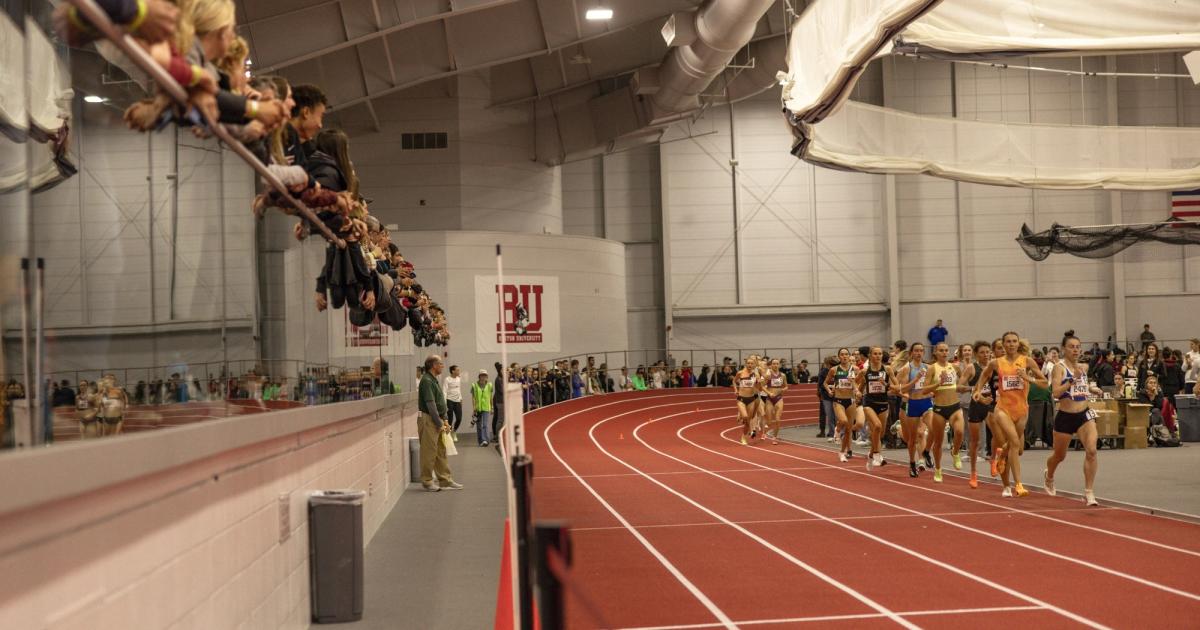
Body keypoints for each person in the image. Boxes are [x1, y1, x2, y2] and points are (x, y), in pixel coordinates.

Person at [974, 332, 1047, 498]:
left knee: (1017, 449)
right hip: (1002, 409)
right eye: (1008, 342)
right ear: (1003, 344)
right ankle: (1015, 485)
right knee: (1014, 442)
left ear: (1018, 343)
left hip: (1021, 410)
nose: (1011, 344)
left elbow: (1044, 383)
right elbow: (984, 375)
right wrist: (978, 390)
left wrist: (1028, 377)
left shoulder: (1027, 361)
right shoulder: (996, 362)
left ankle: (1001, 455)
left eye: (1014, 341)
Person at [1045, 336, 1104, 507]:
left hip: (1084, 414)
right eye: (1071, 347)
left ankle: (1089, 492)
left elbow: (1082, 387)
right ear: (1064, 348)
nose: (1076, 350)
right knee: (1059, 456)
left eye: (1078, 347)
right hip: (1065, 416)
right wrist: (1072, 379)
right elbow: (1055, 393)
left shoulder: (1083, 367)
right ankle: (1049, 476)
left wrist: (1093, 389)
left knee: (1092, 451)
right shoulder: (1059, 368)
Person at [919, 342, 965, 482]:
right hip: (939, 408)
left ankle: (955, 452)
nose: (944, 353)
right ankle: (938, 469)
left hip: (955, 406)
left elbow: (961, 383)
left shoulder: (955, 367)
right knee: (938, 442)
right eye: (941, 350)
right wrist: (938, 383)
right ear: (936, 352)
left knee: (959, 432)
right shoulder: (932, 368)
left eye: (946, 350)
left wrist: (968, 388)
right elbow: (924, 390)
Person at [417, 355, 461, 492]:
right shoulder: (426, 381)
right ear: (433, 365)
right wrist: (439, 422)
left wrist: (445, 420)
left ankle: (445, 480)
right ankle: (427, 481)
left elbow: (439, 402)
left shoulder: (433, 380)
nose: (442, 366)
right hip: (429, 419)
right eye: (440, 364)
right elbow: (431, 405)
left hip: (437, 419)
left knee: (441, 451)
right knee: (429, 452)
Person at [961, 341, 995, 489]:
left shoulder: (995, 366)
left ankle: (994, 460)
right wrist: (973, 388)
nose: (985, 355)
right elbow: (958, 386)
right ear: (976, 354)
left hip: (991, 405)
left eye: (988, 352)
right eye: (982, 352)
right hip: (976, 406)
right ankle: (974, 473)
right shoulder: (971, 368)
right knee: (975, 442)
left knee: (998, 436)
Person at [897, 342, 932, 478]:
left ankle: (925, 455)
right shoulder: (907, 369)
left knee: (927, 430)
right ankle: (912, 463)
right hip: (911, 403)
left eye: (921, 351)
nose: (919, 353)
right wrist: (915, 380)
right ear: (911, 353)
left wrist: (934, 390)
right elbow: (902, 389)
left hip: (926, 403)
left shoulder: (928, 368)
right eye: (916, 350)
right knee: (911, 439)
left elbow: (931, 386)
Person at [856, 347, 891, 470]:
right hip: (869, 403)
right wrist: (857, 392)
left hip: (883, 403)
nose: (878, 356)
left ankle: (871, 455)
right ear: (870, 356)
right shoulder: (865, 371)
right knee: (877, 426)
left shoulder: (887, 369)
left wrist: (885, 384)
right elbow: (855, 384)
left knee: (878, 435)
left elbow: (896, 386)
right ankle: (877, 455)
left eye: (880, 354)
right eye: (875, 354)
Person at [824, 348, 860, 462]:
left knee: (849, 429)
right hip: (838, 400)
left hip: (851, 400)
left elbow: (859, 383)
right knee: (843, 421)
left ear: (849, 356)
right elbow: (825, 383)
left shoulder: (855, 369)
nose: (844, 356)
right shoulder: (834, 370)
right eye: (842, 354)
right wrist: (829, 391)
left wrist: (857, 390)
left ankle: (845, 451)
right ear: (839, 357)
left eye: (846, 354)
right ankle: (837, 429)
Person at [733, 358, 762, 445]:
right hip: (741, 398)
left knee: (748, 420)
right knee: (745, 417)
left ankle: (743, 437)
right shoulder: (740, 373)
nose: (750, 365)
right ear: (745, 364)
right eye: (748, 363)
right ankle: (741, 415)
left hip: (751, 399)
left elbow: (759, 389)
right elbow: (734, 381)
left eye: (751, 364)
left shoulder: (756, 374)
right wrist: (735, 389)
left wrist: (759, 382)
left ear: (754, 365)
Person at [762, 359, 787, 445]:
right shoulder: (768, 375)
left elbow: (786, 386)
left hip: (779, 398)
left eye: (777, 364)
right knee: (769, 422)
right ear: (771, 365)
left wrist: (783, 389)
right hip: (770, 399)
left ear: (779, 365)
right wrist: (769, 393)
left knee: (777, 419)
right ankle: (764, 431)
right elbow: (762, 387)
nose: (775, 365)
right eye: (774, 364)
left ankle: (774, 438)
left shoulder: (783, 375)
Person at [471, 370, 494, 447]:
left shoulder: (490, 385)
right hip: (478, 408)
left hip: (486, 408)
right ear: (479, 376)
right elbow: (473, 397)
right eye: (482, 375)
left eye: (485, 375)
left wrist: (492, 406)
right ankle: (480, 440)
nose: (483, 377)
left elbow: (491, 397)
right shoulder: (474, 385)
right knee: (479, 425)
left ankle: (485, 440)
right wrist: (474, 407)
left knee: (485, 424)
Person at [443, 365, 463, 442]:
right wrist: (445, 403)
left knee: (459, 418)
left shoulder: (458, 379)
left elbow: (459, 389)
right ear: (453, 371)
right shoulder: (447, 379)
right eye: (457, 370)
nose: (459, 371)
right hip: (449, 401)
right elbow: (444, 391)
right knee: (450, 419)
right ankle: (448, 435)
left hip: (457, 401)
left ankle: (454, 431)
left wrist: (461, 399)